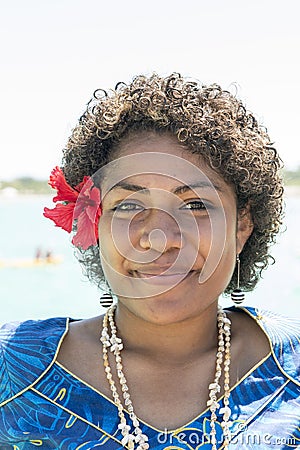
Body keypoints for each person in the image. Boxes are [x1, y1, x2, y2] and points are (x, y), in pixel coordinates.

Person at [0, 73, 299, 450]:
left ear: (242, 226)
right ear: (93, 221)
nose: (158, 237)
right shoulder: (12, 368)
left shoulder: (294, 370)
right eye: (128, 205)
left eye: (194, 205)